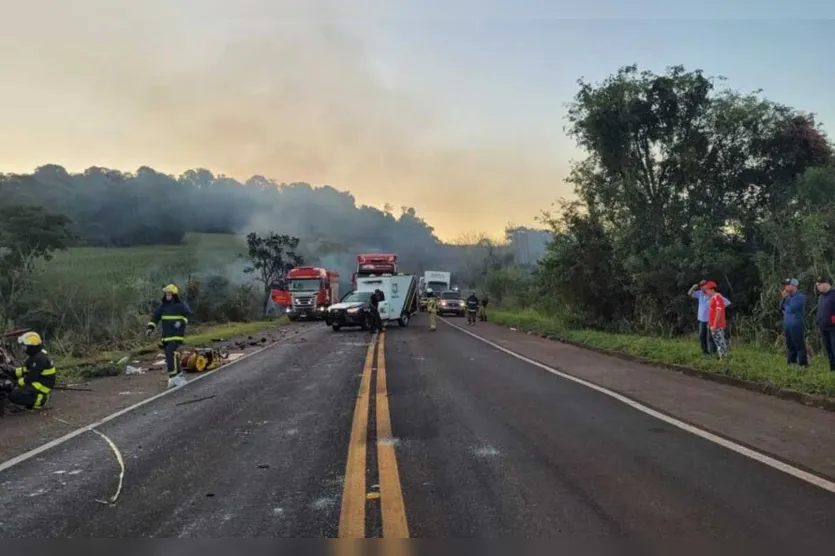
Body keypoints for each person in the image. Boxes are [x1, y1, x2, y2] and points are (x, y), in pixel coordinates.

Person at [146, 284, 191, 388]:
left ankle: (173, 377)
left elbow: (187, 316)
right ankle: (178, 375)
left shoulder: (181, 305)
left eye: (169, 293)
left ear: (174, 294)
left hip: (176, 335)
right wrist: (150, 328)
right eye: (166, 293)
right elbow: (155, 317)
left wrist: (181, 322)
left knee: (170, 355)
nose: (167, 295)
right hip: (166, 336)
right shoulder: (163, 306)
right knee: (171, 356)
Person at [6, 331, 57, 412]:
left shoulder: (39, 359)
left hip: (42, 386)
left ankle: (40, 400)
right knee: (16, 388)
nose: (23, 348)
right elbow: (25, 369)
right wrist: (10, 372)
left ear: (31, 346)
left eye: (24, 346)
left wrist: (14, 384)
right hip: (39, 381)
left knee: (14, 395)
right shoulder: (35, 355)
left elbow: (31, 378)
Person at [688, 280, 731, 355]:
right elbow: (689, 293)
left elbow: (727, 302)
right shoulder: (700, 294)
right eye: (700, 286)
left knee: (711, 338)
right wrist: (693, 287)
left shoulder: (714, 295)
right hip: (702, 319)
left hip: (711, 320)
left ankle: (713, 353)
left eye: (704, 286)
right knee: (702, 336)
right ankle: (705, 352)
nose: (702, 287)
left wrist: (717, 308)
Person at [780, 278, 808, 367]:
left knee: (799, 345)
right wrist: (783, 299)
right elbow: (781, 308)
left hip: (796, 325)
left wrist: (786, 298)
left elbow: (792, 307)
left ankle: (803, 364)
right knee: (790, 345)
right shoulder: (788, 297)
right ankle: (791, 362)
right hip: (787, 324)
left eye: (788, 285)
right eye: (785, 285)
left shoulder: (800, 297)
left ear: (794, 286)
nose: (785, 287)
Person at [814, 276, 835, 372]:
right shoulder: (821, 297)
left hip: (833, 328)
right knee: (829, 350)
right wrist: (818, 321)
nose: (818, 287)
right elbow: (821, 310)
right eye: (817, 285)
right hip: (823, 327)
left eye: (819, 284)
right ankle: (832, 370)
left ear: (826, 283)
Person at [704, 281, 729, 359]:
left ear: (712, 289)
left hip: (718, 325)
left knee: (720, 341)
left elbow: (719, 311)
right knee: (718, 341)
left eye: (707, 289)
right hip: (713, 324)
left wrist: (714, 324)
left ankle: (724, 358)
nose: (706, 291)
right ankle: (722, 357)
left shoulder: (717, 297)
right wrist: (710, 323)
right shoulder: (712, 298)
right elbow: (713, 312)